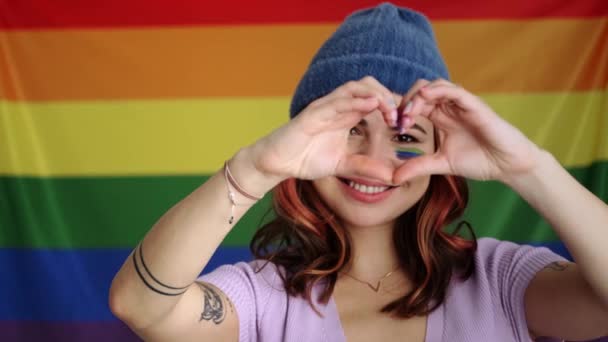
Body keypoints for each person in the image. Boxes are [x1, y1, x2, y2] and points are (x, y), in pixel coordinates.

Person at [109, 3, 608, 341]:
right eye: (351, 128)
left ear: (443, 155)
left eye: (405, 137)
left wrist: (527, 167)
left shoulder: (499, 279)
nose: (374, 161)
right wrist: (255, 168)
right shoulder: (262, 297)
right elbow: (140, 306)